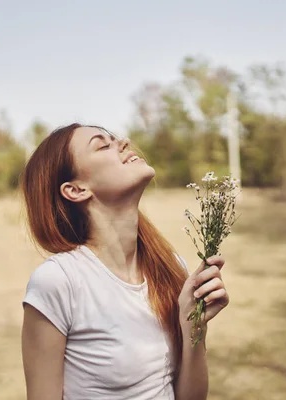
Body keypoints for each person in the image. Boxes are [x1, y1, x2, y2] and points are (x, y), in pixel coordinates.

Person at [20, 123, 229, 399]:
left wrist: (195, 329)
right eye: (103, 145)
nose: (125, 142)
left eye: (115, 139)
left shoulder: (171, 267)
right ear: (76, 190)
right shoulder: (59, 281)